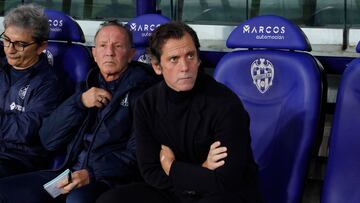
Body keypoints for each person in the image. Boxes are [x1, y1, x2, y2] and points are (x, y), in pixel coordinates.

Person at [97, 22, 262, 203]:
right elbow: (150, 172)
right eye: (174, 59)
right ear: (157, 66)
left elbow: (225, 179)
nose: (185, 67)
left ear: (198, 60)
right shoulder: (147, 103)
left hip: (224, 195)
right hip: (174, 191)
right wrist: (202, 168)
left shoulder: (225, 103)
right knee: (111, 200)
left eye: (190, 56)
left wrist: (172, 167)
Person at [0, 19, 157, 203]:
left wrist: (91, 173)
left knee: (76, 200)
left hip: (108, 179)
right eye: (103, 46)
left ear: (130, 54)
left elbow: (136, 153)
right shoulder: (85, 86)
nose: (109, 52)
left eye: (118, 46)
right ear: (94, 54)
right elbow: (48, 139)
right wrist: (80, 102)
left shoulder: (144, 92)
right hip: (66, 173)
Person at [0, 4, 64, 178]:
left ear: (41, 46)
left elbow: (26, 130)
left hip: (18, 158)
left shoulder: (50, 83)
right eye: (6, 40)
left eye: (20, 44)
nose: (10, 49)